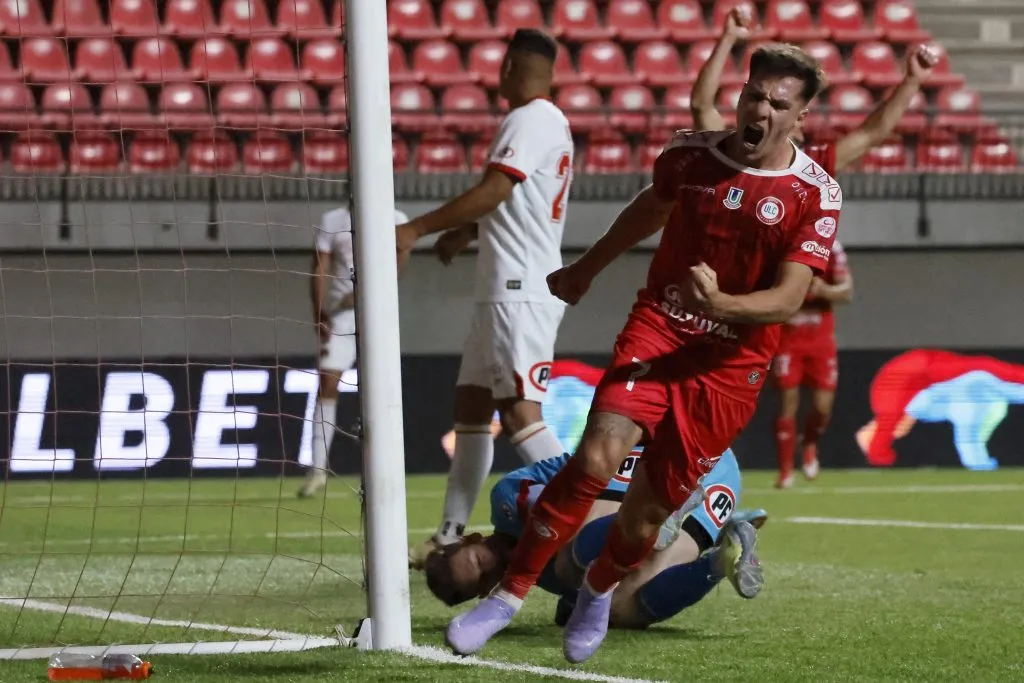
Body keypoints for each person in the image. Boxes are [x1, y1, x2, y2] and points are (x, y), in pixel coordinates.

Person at [447, 43, 840, 663]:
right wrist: (585, 270)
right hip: (661, 327)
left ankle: (599, 591)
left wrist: (724, 306)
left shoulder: (815, 194)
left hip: (730, 365)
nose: (760, 109)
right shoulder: (689, 155)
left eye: (777, 102)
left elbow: (789, 299)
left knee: (643, 517)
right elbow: (648, 210)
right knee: (596, 456)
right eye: (753, 95)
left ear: (801, 118)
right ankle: (507, 597)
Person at [690, 7, 938, 488]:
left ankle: (736, 484)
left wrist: (911, 81)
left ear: (799, 121)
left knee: (730, 415)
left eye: (788, 113)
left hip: (754, 316)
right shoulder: (725, 152)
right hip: (702, 303)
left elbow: (870, 134)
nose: (775, 118)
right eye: (764, 104)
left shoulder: (811, 172)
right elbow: (701, 106)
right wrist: (727, 41)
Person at [397, 29, 575, 566]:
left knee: (521, 417)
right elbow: (518, 201)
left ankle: (591, 520)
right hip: (502, 287)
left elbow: (497, 189)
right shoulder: (550, 122)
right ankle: (449, 536)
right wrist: (467, 232)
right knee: (471, 410)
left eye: (502, 66)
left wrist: (418, 228)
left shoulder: (531, 118)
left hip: (518, 290)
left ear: (513, 68)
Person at [425, 447, 766, 629]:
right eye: (483, 580)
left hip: (670, 454)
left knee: (566, 555)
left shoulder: (507, 501)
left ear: (472, 537)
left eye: (480, 561)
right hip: (714, 490)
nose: (493, 568)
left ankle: (658, 507)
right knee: (619, 607)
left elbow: (560, 510)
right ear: (484, 592)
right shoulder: (539, 578)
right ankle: (723, 556)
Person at [299, 205, 409, 497]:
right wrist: (318, 311)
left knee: (380, 390)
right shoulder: (331, 219)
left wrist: (373, 289)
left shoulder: (395, 218)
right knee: (327, 383)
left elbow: (400, 258)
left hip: (378, 315)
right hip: (340, 316)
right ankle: (318, 469)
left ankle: (383, 468)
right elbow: (320, 265)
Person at [857, 349, 1024, 471]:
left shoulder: (899, 398)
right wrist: (879, 454)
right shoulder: (906, 402)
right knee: (971, 433)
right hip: (944, 386)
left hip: (955, 381)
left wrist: (880, 453)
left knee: (986, 384)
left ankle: (980, 465)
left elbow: (988, 368)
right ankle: (980, 465)